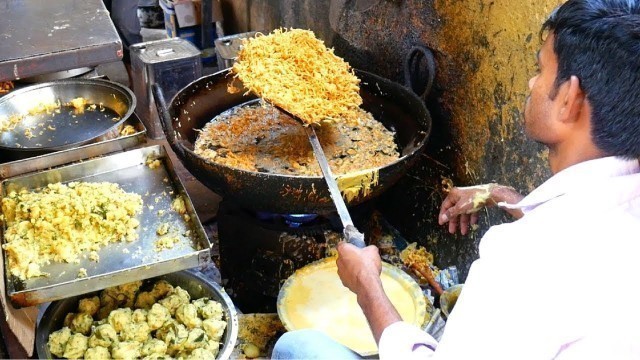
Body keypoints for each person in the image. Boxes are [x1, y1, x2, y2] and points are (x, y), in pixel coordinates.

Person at [272, 0, 640, 358]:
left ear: (570, 99)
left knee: (296, 347)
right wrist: (503, 196)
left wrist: (367, 286)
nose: (531, 83)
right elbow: (585, 239)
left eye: (540, 69)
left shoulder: (522, 260)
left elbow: (556, 258)